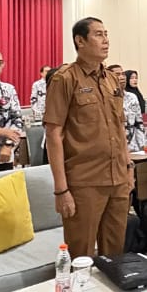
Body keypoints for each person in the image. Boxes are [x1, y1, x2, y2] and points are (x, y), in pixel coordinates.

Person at [44, 17, 133, 258]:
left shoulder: (112, 79)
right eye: (98, 34)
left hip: (118, 178)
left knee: (114, 254)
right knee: (81, 256)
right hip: (85, 182)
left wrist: (128, 167)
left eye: (106, 34)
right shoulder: (65, 79)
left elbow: (120, 126)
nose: (106, 40)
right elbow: (53, 134)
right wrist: (61, 190)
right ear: (80, 41)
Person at [110, 63, 145, 152]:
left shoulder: (132, 97)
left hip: (134, 146)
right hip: (116, 148)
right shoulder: (107, 99)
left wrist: (143, 145)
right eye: (117, 74)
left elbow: (139, 122)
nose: (122, 77)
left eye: (123, 74)